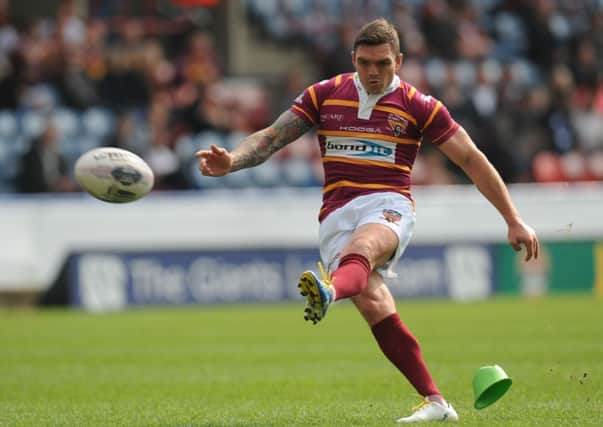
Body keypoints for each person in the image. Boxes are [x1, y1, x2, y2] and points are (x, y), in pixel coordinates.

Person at [195, 18, 539, 424]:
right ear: (353, 60)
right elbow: (272, 137)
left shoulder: (419, 106)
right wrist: (232, 160)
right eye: (365, 63)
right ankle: (437, 403)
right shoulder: (324, 95)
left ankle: (327, 290)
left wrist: (513, 219)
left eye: (382, 64)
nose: (373, 72)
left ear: (399, 61)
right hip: (337, 212)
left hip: (388, 205)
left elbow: (470, 159)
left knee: (363, 250)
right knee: (375, 303)